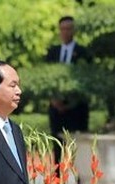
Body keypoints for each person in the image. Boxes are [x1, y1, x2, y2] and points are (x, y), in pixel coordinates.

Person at [45, 16, 92, 162]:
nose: (65, 32)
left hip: (77, 109)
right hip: (56, 109)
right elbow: (47, 77)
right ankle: (59, 182)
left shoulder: (84, 53)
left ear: (74, 30)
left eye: (68, 29)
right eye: (63, 29)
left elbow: (87, 80)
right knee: (57, 147)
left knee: (79, 149)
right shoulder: (52, 52)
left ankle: (82, 182)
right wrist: (54, 100)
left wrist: (72, 102)